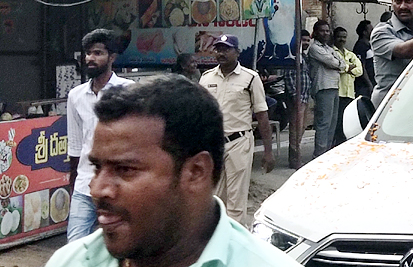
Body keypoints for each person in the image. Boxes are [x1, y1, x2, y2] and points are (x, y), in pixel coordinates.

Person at [46, 75, 300, 267]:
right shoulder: (72, 261)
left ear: (196, 172)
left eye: (125, 169)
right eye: (97, 167)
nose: (98, 189)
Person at [198, 34, 274, 226]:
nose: (221, 53)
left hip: (239, 142)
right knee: (214, 197)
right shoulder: (207, 78)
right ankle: (218, 236)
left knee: (236, 200)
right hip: (214, 144)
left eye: (226, 49)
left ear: (237, 52)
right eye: (218, 49)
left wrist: (268, 151)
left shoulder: (250, 78)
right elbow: (199, 112)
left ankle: (236, 243)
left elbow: (262, 115)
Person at [67, 29, 135, 242]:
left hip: (119, 184)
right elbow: (76, 143)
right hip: (84, 183)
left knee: (119, 244)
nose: (90, 58)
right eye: (88, 53)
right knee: (75, 244)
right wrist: (74, 180)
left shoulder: (129, 91)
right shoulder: (76, 96)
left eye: (97, 53)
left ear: (112, 57)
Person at [307, 19, 346, 158]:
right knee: (324, 123)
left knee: (332, 123)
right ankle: (319, 155)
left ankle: (326, 155)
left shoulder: (328, 48)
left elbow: (342, 63)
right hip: (323, 87)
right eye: (322, 31)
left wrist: (338, 64)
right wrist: (338, 64)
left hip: (334, 87)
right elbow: (333, 62)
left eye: (327, 31)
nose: (325, 33)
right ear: (315, 32)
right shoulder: (314, 48)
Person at [332, 26, 363, 146]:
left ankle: (343, 145)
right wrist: (348, 68)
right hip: (338, 93)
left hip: (349, 94)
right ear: (334, 37)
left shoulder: (351, 54)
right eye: (339, 37)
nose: (342, 39)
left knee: (345, 123)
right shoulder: (332, 52)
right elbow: (336, 68)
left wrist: (347, 69)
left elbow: (359, 71)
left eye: (344, 37)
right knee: (337, 123)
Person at [352, 20, 376, 99]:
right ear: (364, 32)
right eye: (371, 30)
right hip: (364, 86)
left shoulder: (369, 45)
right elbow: (362, 66)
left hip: (373, 82)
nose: (373, 32)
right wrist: (369, 84)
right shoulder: (360, 46)